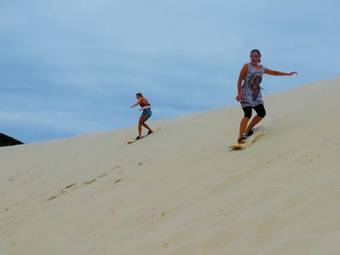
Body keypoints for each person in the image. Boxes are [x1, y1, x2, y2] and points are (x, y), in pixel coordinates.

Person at [235, 49, 297, 143]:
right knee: (247, 114)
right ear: (250, 57)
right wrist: (239, 93)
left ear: (259, 57)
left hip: (256, 95)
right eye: (252, 56)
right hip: (246, 93)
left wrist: (287, 74)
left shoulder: (262, 68)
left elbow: (275, 73)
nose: (254, 58)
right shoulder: (246, 66)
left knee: (262, 113)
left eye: (256, 56)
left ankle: (247, 131)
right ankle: (240, 137)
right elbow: (239, 80)